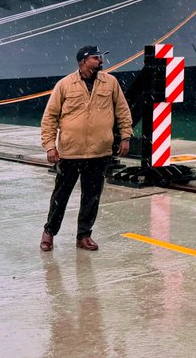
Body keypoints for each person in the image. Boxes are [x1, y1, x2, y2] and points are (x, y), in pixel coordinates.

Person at [40, 45, 133, 252]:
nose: (101, 61)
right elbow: (50, 117)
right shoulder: (65, 85)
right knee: (61, 196)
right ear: (84, 61)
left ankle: (84, 235)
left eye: (100, 57)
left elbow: (122, 111)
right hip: (70, 152)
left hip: (99, 151)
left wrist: (125, 136)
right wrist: (50, 146)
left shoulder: (111, 82)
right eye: (96, 58)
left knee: (92, 197)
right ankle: (49, 232)